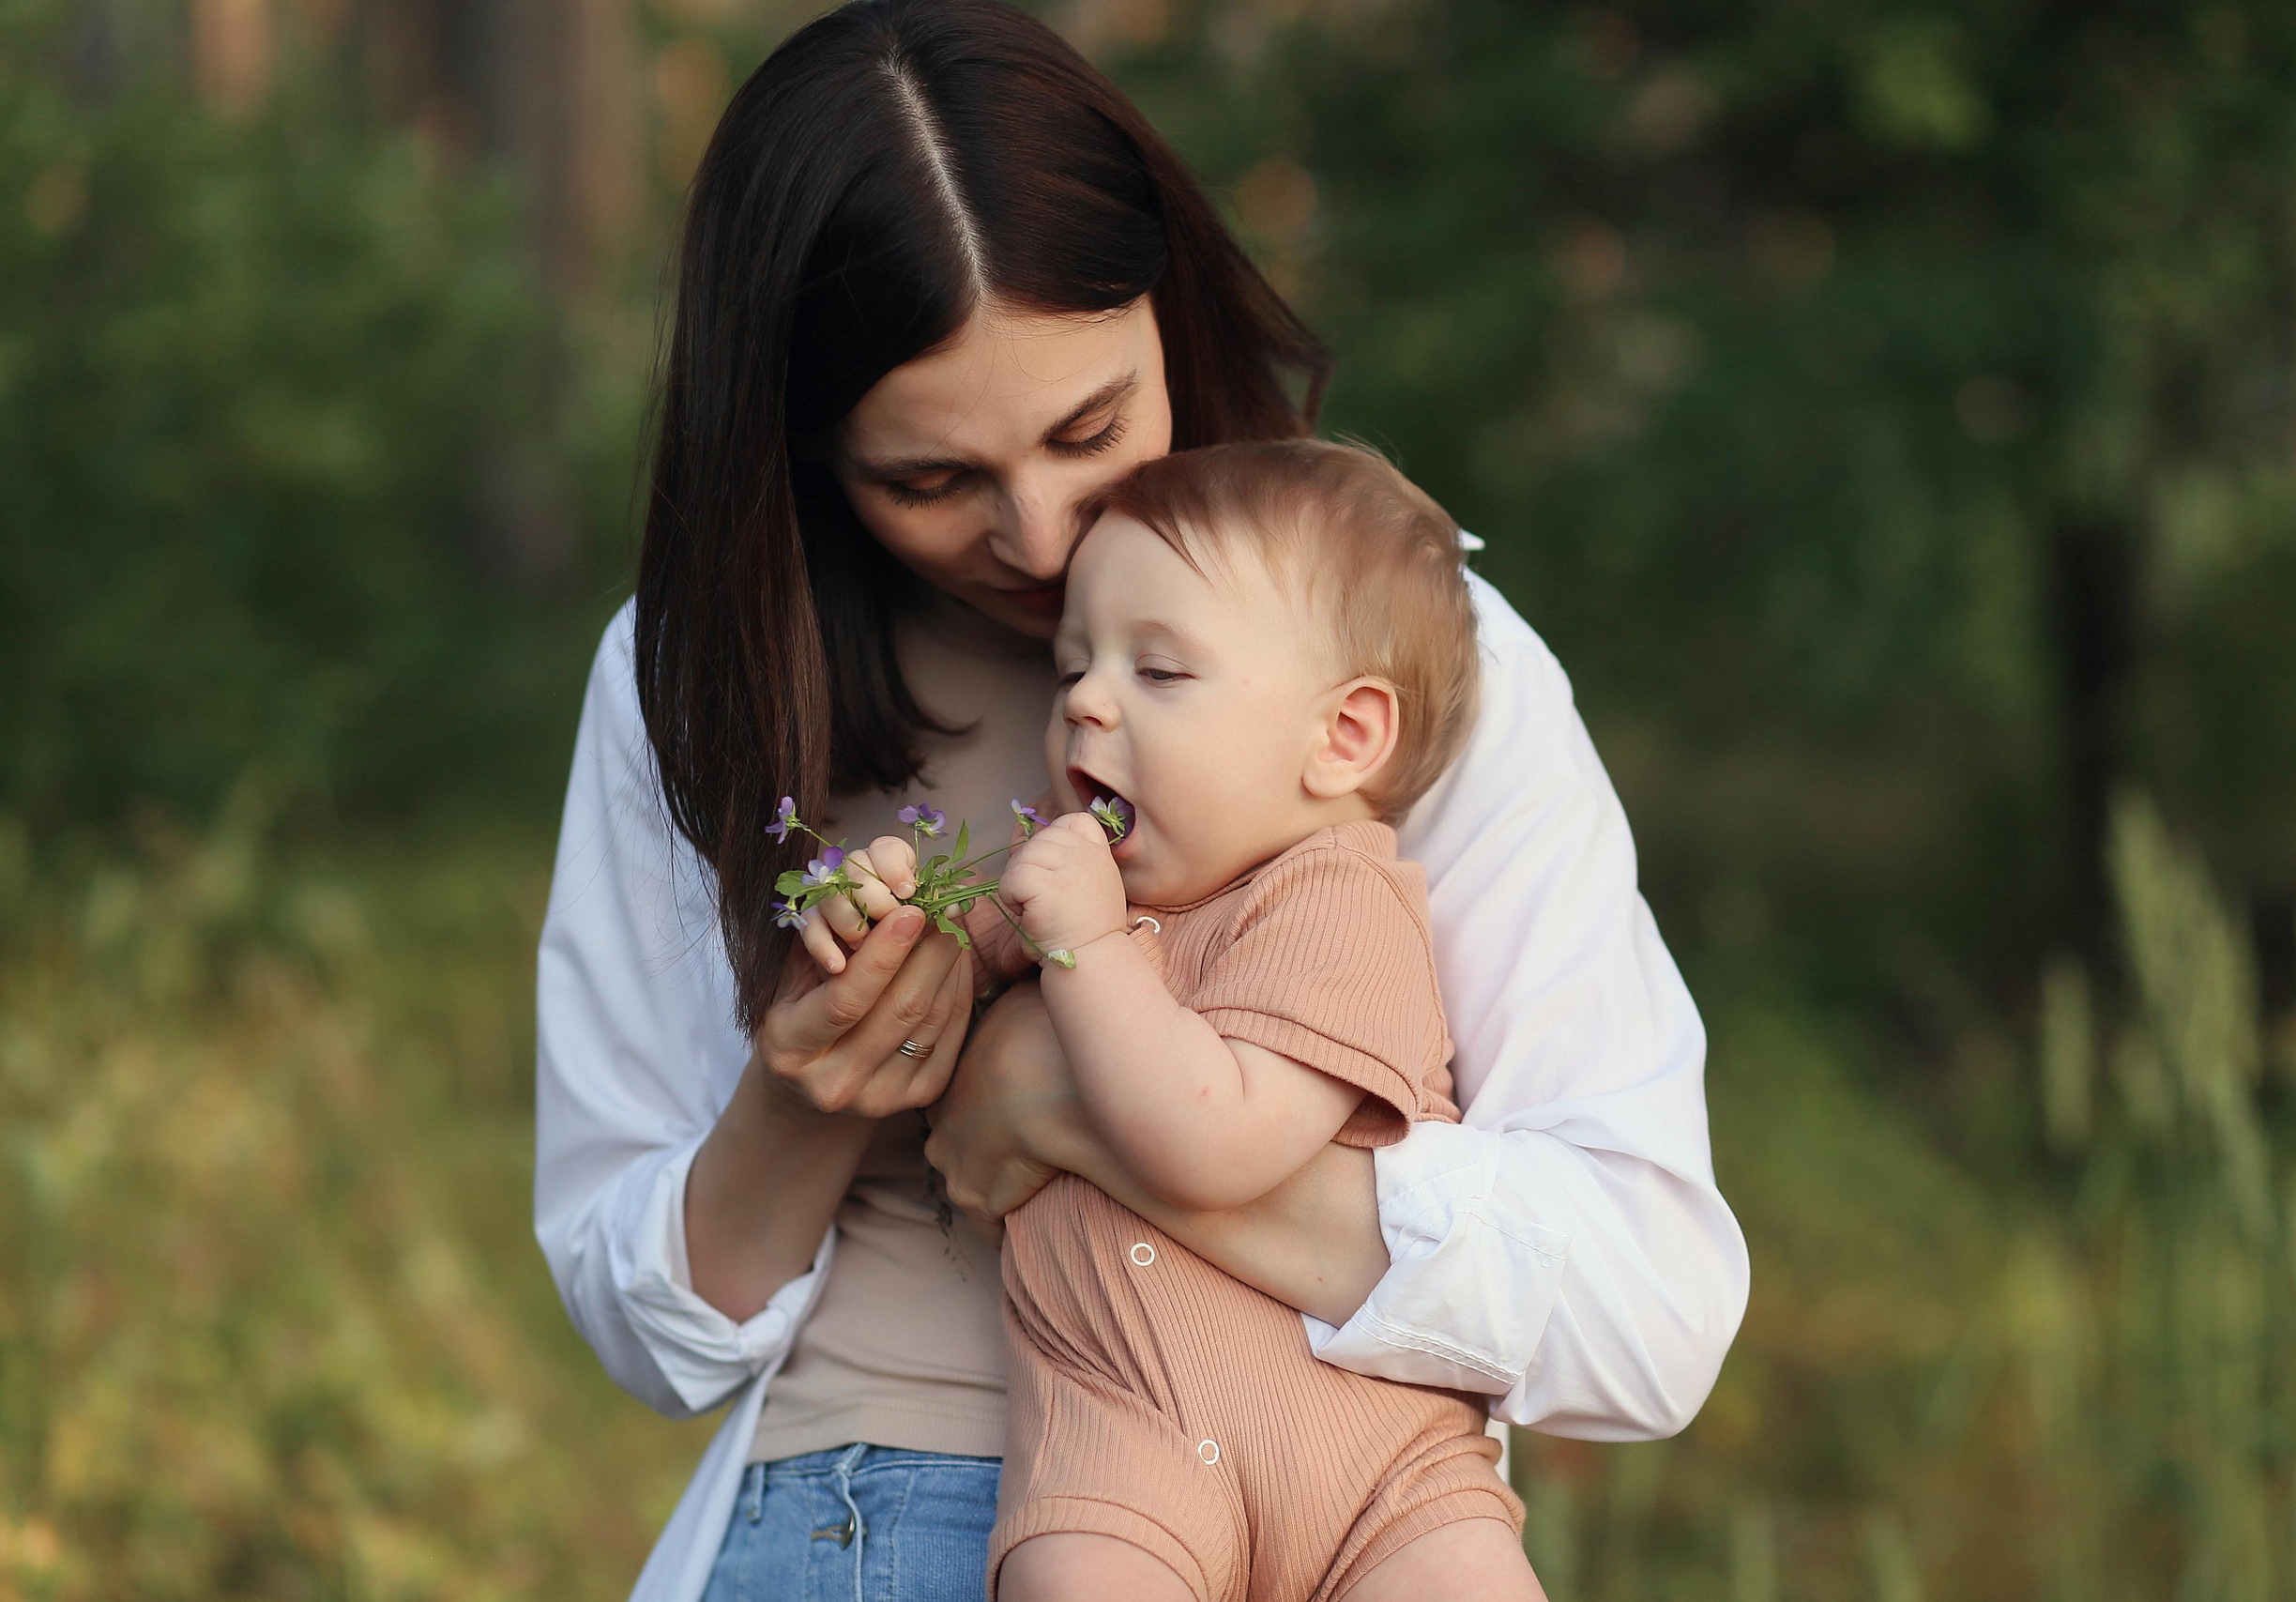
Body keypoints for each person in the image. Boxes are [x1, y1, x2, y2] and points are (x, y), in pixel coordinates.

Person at [532, 4, 1748, 1601]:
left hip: (1353, 1518)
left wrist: (1083, 1104)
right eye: (929, 480)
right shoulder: (701, 679)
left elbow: (1648, 1305)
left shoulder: (1401, 657)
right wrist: (806, 1102)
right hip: (879, 1497)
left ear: (1172, 308)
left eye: (1091, 429)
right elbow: (644, 1328)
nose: (1040, 539)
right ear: (805, 455)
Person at [812, 442, 1540, 1601]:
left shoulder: (1339, 900)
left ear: (1343, 739)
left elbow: (1215, 1143)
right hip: (1120, 1448)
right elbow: (926, 1005)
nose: (1084, 702)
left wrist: (1091, 949)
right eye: (1072, 668)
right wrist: (881, 921)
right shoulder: (1068, 882)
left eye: (1157, 671)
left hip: (1375, 1468)